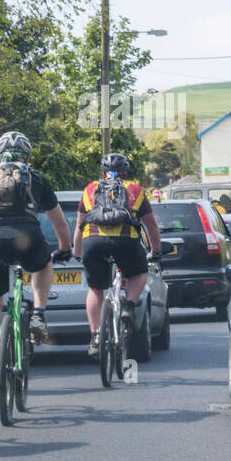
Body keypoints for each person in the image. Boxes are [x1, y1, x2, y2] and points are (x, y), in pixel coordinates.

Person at [0, 132, 72, 398]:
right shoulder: (36, 177)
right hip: (25, 233)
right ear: (28, 157)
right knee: (43, 265)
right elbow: (59, 222)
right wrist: (64, 249)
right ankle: (38, 315)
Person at [73, 153, 162, 357]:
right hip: (126, 243)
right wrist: (156, 252)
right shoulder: (135, 190)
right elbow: (152, 227)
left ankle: (95, 337)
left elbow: (80, 225)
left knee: (96, 289)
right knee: (139, 272)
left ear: (102, 172)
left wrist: (77, 253)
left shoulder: (89, 189)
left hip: (93, 242)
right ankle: (128, 307)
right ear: (125, 171)